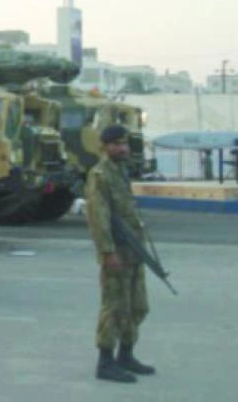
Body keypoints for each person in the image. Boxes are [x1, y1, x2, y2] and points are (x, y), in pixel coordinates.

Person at [85, 124, 155, 383]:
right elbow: (98, 218)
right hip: (116, 253)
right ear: (105, 147)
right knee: (114, 307)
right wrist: (107, 252)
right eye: (116, 144)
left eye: (124, 143)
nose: (123, 148)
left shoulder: (121, 172)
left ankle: (126, 355)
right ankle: (105, 362)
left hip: (133, 251)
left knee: (138, 306)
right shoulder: (100, 174)